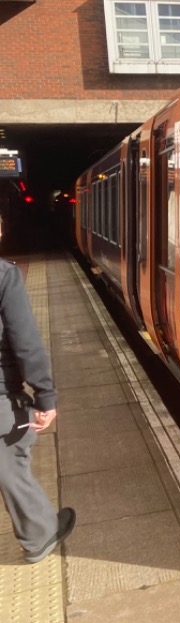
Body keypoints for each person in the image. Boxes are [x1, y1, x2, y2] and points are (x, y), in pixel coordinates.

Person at [0, 222, 75, 564]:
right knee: (11, 463)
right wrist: (45, 396)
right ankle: (40, 535)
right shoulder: (4, 276)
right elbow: (25, 342)